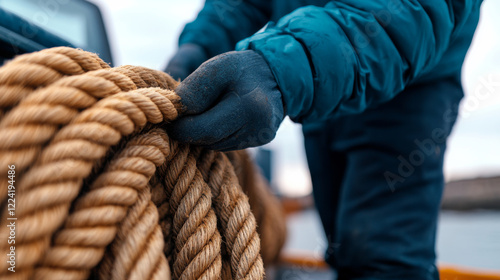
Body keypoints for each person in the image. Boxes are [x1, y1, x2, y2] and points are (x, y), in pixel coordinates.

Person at [164, 1, 482, 279]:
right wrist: (201, 45)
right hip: (320, 90)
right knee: (342, 244)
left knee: (382, 255)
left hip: (406, 100)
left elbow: (415, 9)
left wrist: (284, 67)